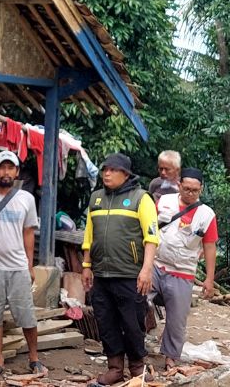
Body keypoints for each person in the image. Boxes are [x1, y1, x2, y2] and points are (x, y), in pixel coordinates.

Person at [82, 153, 159, 384]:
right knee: (106, 322)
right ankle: (115, 368)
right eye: (104, 169)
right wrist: (86, 265)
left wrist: (146, 270)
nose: (106, 173)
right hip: (102, 275)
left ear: (125, 174)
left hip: (130, 275)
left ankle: (137, 369)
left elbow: (152, 237)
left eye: (112, 170)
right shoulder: (96, 199)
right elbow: (88, 235)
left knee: (132, 324)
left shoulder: (141, 198)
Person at [0, 151, 46, 379]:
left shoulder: (27, 199)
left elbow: (29, 233)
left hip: (18, 268)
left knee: (26, 315)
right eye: (1, 168)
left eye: (10, 168)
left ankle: (34, 359)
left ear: (17, 172)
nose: (6, 172)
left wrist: (30, 265)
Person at [150, 168, 218, 370]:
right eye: (186, 188)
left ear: (201, 189)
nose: (190, 193)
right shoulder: (163, 202)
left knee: (177, 319)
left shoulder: (207, 215)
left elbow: (210, 246)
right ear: (179, 185)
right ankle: (132, 347)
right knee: (135, 301)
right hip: (155, 263)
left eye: (195, 190)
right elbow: (148, 228)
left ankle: (171, 356)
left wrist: (209, 279)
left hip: (183, 271)